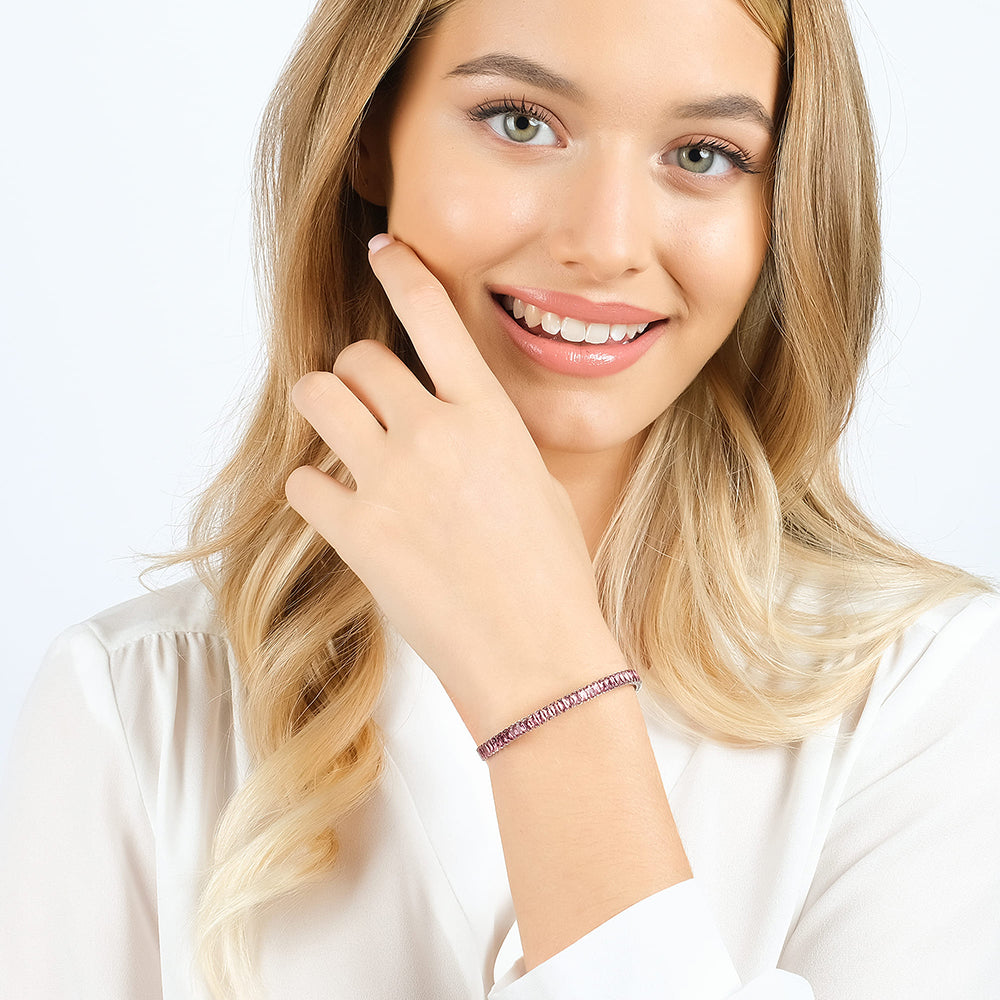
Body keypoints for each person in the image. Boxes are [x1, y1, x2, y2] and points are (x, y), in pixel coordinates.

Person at [1, 0, 997, 996]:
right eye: (520, 121)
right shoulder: (138, 705)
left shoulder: (930, 694)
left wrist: (545, 683)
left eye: (702, 155)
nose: (603, 243)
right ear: (367, 138)